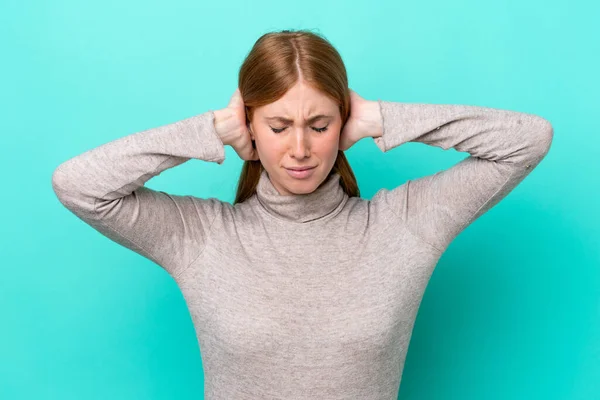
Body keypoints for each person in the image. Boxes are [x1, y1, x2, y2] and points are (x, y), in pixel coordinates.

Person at [51, 29, 553, 399]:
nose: (299, 149)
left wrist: (382, 119)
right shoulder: (200, 236)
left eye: (318, 125)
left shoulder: (403, 225)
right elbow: (78, 185)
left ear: (343, 124)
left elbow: (527, 140)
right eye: (277, 125)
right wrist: (211, 130)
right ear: (250, 125)